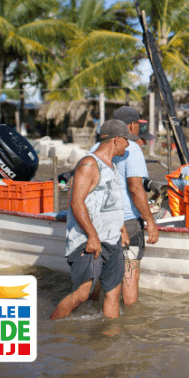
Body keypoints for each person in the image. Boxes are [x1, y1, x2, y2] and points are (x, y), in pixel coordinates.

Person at [51, 120, 136, 320]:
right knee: (81, 294)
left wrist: (121, 229)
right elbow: (76, 203)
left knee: (113, 294)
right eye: (126, 140)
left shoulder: (113, 166)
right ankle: (51, 329)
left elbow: (110, 203)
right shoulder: (88, 164)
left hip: (112, 240)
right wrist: (92, 236)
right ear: (116, 140)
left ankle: (110, 343)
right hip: (89, 242)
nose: (129, 145)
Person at [89, 106, 159, 307]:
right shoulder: (133, 148)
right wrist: (150, 223)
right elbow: (136, 189)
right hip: (127, 221)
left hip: (100, 221)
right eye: (138, 124)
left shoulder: (95, 149)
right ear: (131, 125)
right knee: (130, 275)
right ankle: (130, 324)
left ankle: (95, 314)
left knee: (101, 273)